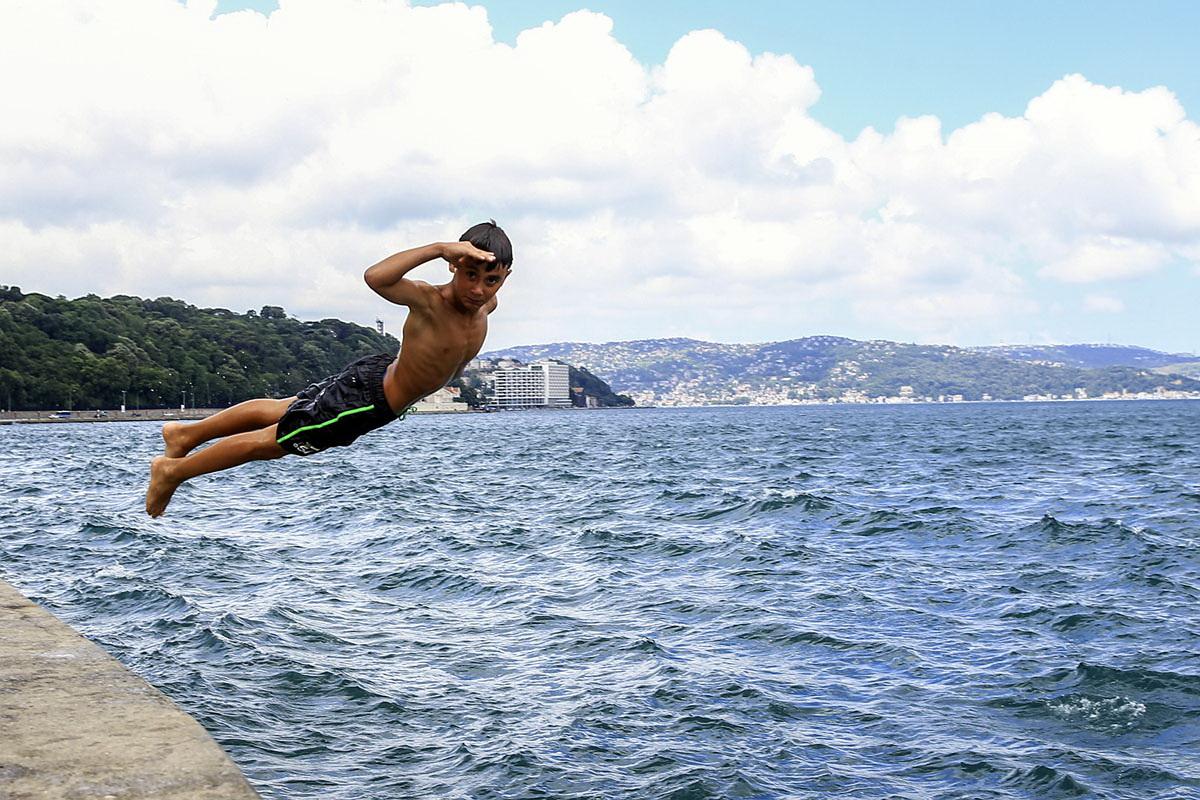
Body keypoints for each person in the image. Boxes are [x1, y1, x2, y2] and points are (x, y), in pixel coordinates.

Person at [144, 221, 513, 517]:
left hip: (374, 376)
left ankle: (186, 434)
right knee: (275, 442)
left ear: (504, 277)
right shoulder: (430, 301)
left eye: (490, 281)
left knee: (285, 409)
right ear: (453, 265)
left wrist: (478, 274)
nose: (478, 290)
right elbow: (377, 277)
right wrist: (438, 247)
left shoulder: (487, 305)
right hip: (368, 401)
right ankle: (173, 471)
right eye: (470, 275)